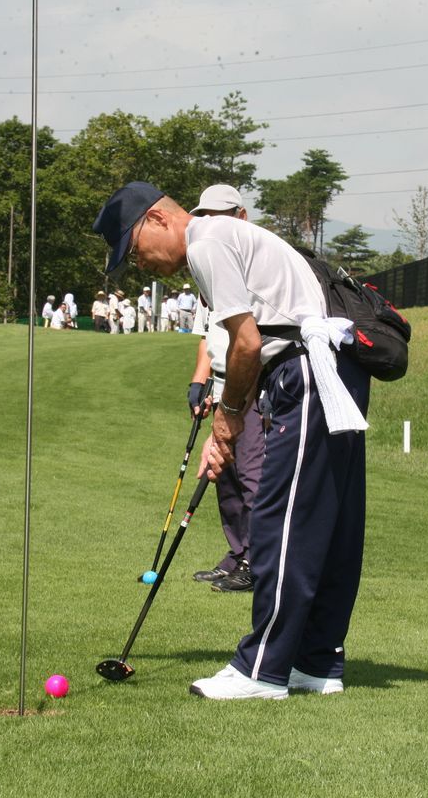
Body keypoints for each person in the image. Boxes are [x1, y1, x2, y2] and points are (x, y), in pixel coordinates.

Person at [94, 181, 371, 701]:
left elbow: (245, 343)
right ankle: (315, 662)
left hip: (305, 371)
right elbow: (246, 344)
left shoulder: (205, 241)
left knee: (278, 522)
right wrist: (232, 419)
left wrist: (227, 421)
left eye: (135, 250)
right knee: (328, 526)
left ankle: (262, 670)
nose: (141, 264)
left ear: (157, 220)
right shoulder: (224, 235)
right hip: (326, 372)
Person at [186, 185, 262, 594]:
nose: (212, 222)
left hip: (248, 388)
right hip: (220, 384)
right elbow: (207, 336)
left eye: (222, 214)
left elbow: (250, 342)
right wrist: (200, 383)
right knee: (226, 478)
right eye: (206, 215)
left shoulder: (249, 262)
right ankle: (236, 554)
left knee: (253, 477)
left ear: (241, 215)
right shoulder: (208, 264)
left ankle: (256, 560)